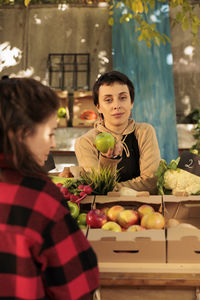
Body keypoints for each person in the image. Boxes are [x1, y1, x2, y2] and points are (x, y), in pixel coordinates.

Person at [0, 78, 99, 299]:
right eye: (51, 133)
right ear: (23, 134)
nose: (53, 144)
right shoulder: (38, 197)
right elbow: (78, 284)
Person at [75, 70, 161, 195]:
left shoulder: (145, 132)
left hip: (145, 208)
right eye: (108, 100)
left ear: (131, 102)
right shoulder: (85, 142)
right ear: (98, 107)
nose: (116, 105)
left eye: (123, 98)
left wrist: (112, 189)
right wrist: (108, 161)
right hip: (101, 212)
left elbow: (151, 182)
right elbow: (97, 187)